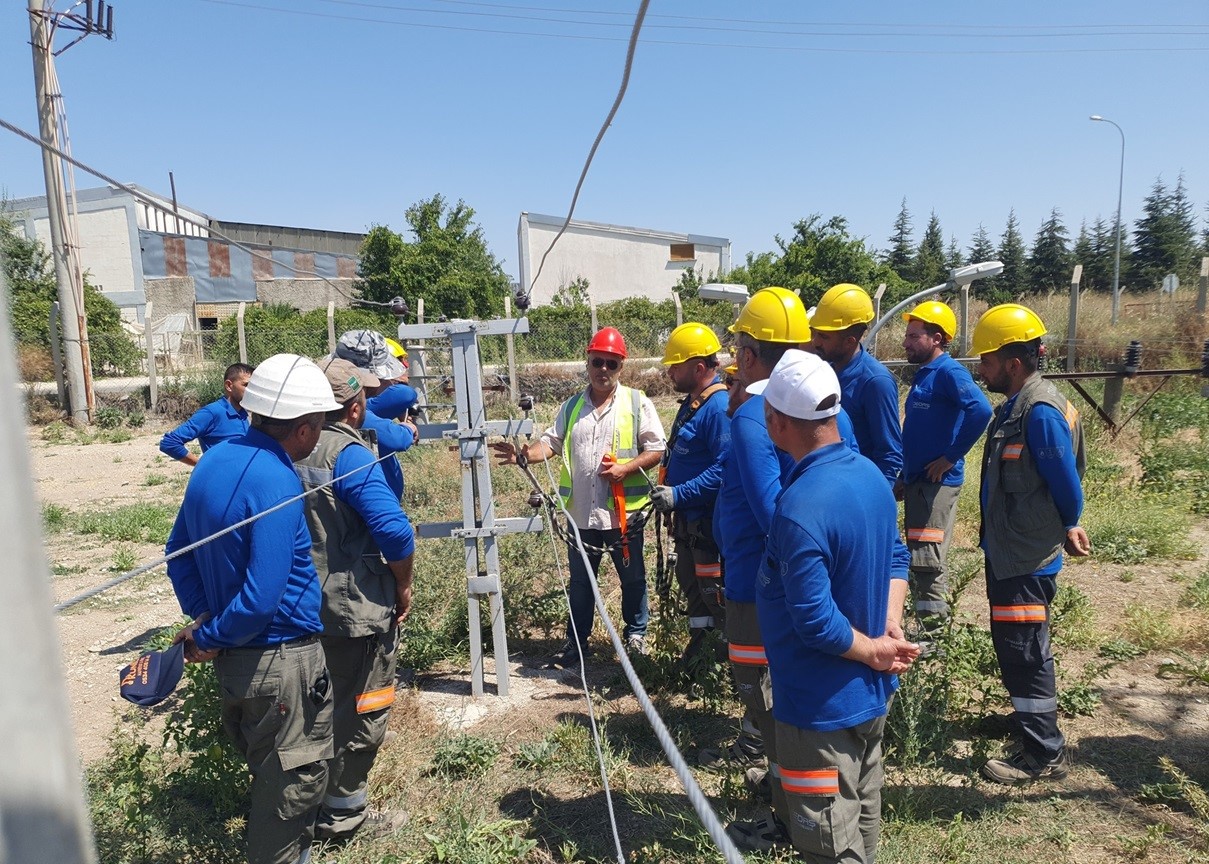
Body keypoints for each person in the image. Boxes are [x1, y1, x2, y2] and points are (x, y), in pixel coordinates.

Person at [729, 349, 919, 860]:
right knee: (862, 811)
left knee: (828, 839)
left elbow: (815, 621)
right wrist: (889, 625)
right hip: (868, 698)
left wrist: (872, 650)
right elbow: (899, 559)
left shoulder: (799, 507)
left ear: (778, 421)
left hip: (818, 709)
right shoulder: (870, 478)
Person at [165, 353, 340, 864]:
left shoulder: (217, 457)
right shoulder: (277, 480)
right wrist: (209, 634)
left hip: (240, 668)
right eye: (321, 424)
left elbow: (177, 552)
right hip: (280, 662)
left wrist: (204, 619)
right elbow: (263, 598)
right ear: (305, 428)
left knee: (270, 775)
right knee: (292, 790)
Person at [492, 327, 665, 665]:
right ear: (588, 363)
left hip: (622, 515)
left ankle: (636, 638)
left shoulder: (636, 402)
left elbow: (657, 448)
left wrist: (625, 469)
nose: (603, 369)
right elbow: (551, 443)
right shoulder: (571, 407)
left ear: (621, 367)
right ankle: (576, 644)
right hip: (580, 515)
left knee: (632, 579)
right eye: (597, 361)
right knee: (581, 584)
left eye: (611, 364)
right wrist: (525, 454)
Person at [297, 357, 416, 842]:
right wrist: (403, 586)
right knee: (363, 709)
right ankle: (343, 820)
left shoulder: (282, 447)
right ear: (354, 406)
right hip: (352, 609)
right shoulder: (346, 456)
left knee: (310, 711)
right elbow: (394, 531)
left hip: (299, 607)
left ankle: (302, 809)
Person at [973, 304, 1090, 785]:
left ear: (1013, 363)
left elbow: (1066, 481)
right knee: (1016, 644)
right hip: (1011, 549)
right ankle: (1029, 722)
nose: (981, 369)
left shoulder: (1038, 413)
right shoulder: (1018, 406)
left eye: (987, 360)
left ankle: (1043, 752)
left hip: (1024, 554)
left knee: (1024, 648)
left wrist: (1071, 522)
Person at [701, 288, 804, 783]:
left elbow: (769, 512)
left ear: (746, 355)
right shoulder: (823, 408)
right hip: (778, 570)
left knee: (756, 679)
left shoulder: (752, 417)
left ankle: (781, 779)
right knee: (775, 676)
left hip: (757, 576)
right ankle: (777, 765)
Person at [898, 300, 992, 637]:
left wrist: (950, 457)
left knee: (927, 560)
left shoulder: (950, 372)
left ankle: (933, 638)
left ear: (937, 338)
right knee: (920, 557)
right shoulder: (927, 374)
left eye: (913, 336)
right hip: (918, 482)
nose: (906, 342)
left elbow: (980, 411)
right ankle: (928, 631)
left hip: (936, 485)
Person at [649, 322, 731, 667]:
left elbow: (725, 469)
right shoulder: (694, 403)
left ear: (699, 368)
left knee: (715, 597)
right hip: (689, 527)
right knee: (695, 593)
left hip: (709, 528)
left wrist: (679, 495)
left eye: (676, 365)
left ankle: (727, 662)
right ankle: (700, 654)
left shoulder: (718, 408)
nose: (669, 372)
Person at [810, 283, 903, 486]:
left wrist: (875, 503)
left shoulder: (875, 382)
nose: (815, 342)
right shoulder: (823, 369)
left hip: (856, 487)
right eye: (814, 332)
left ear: (850, 341)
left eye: (824, 336)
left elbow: (889, 454)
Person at [335, 330, 419, 502]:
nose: (387, 381)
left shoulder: (357, 403)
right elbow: (397, 439)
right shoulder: (352, 411)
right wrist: (407, 428)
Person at [159, 362, 254, 465]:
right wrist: (202, 465)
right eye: (246, 385)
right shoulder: (212, 413)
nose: (251, 390)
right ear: (229, 386)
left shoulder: (244, 413)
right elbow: (169, 443)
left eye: (253, 386)